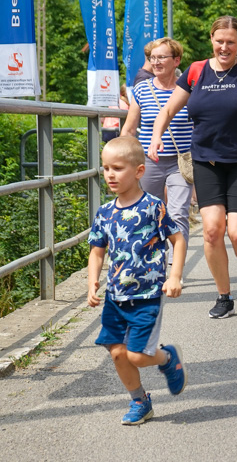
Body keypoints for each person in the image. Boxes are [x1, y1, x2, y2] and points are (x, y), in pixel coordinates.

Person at [149, 16, 237, 319]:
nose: (224, 47)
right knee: (211, 231)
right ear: (211, 39)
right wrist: (155, 138)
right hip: (205, 162)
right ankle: (224, 296)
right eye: (219, 41)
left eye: (230, 42)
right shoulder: (196, 72)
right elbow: (167, 108)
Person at [86, 137, 187, 425]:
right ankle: (140, 401)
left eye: (117, 168)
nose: (110, 175)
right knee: (118, 354)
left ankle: (167, 358)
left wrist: (175, 275)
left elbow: (177, 240)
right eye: (106, 168)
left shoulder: (153, 207)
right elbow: (97, 251)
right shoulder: (105, 212)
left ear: (139, 171)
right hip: (115, 297)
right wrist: (92, 283)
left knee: (139, 356)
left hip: (148, 294)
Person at [121, 37, 194, 267]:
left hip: (180, 162)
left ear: (176, 60)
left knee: (178, 213)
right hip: (149, 162)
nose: (156, 62)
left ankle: (175, 266)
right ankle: (153, 260)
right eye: (153, 58)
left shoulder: (188, 90)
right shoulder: (142, 90)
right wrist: (120, 158)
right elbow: (130, 128)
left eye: (161, 57)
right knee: (149, 211)